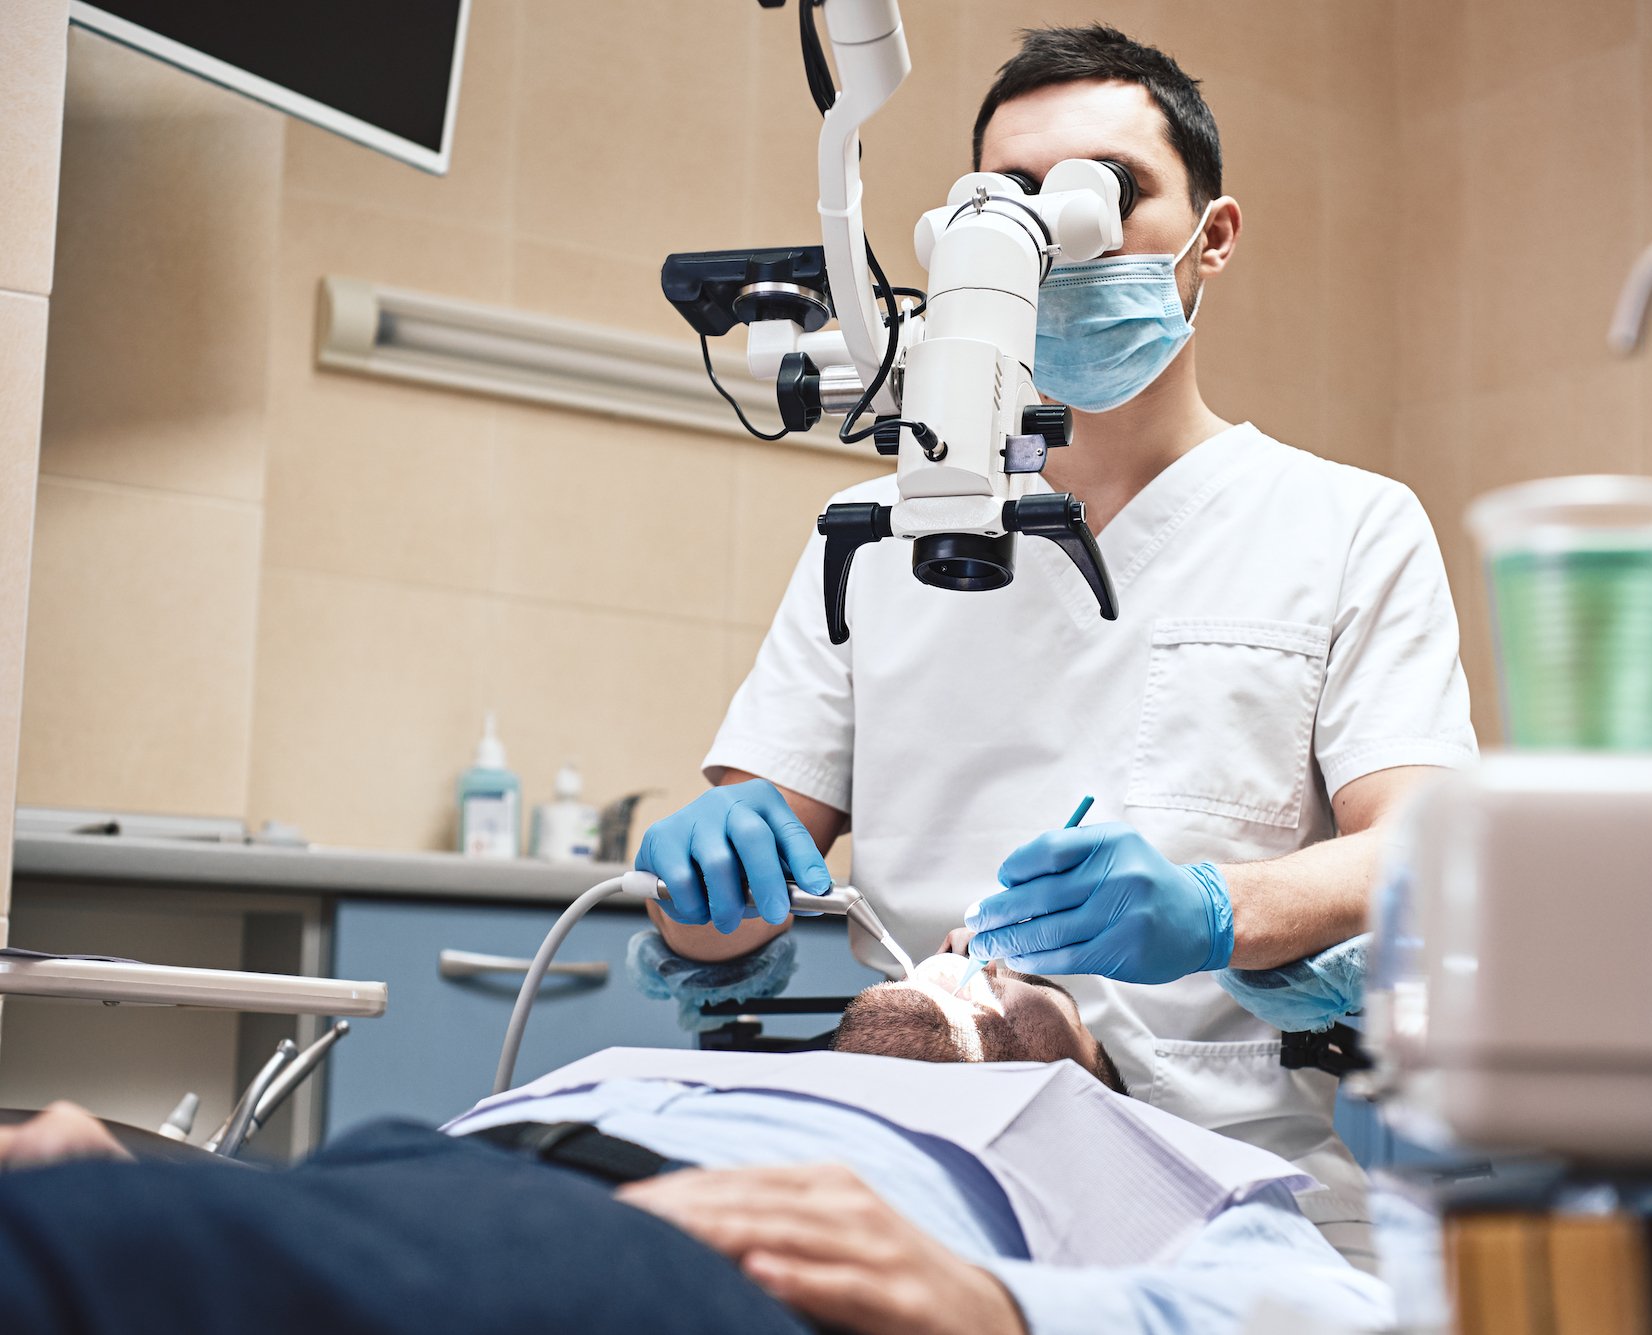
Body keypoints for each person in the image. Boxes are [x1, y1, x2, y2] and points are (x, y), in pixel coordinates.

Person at [636, 24, 1477, 1262]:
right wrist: (704, 880)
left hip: (1230, 1165)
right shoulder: (877, 532)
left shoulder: (1343, 523)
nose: (1056, 235)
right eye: (1011, 199)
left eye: (1107, 190)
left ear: (1212, 236)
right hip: (919, 1127)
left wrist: (1211, 909)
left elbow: (1425, 851)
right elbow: (723, 934)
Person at [0, 955, 1393, 1335]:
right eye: (953, 945)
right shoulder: (724, 1073)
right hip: (387, 1183)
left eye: (1014, 977)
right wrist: (190, 1185)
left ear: (1087, 1064)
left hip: (690, 1254)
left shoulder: (1146, 1156)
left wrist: (1005, 1306)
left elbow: (1336, 1313)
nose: (962, 950)